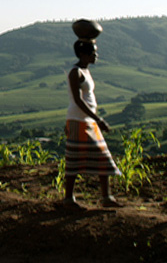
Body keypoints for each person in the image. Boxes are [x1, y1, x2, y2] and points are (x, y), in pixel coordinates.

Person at [63, 39, 121, 208]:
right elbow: (77, 100)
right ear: (82, 54)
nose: (96, 55)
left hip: (86, 120)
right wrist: (98, 119)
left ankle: (106, 197)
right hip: (79, 120)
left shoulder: (84, 71)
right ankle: (69, 198)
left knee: (102, 157)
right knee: (75, 160)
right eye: (93, 52)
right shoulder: (75, 72)